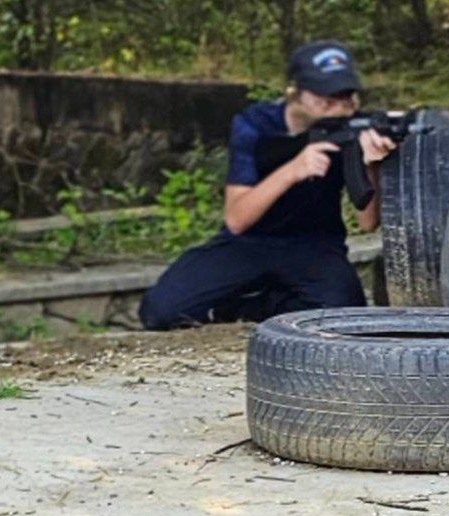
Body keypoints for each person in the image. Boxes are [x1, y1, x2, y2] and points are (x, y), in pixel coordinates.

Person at [138, 40, 397, 330]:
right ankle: (238, 307)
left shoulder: (357, 127)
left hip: (315, 246)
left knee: (343, 318)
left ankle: (267, 306)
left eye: (347, 96)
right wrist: (293, 170)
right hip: (248, 243)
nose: (338, 107)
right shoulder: (256, 125)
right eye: (326, 97)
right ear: (295, 93)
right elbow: (237, 220)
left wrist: (372, 163)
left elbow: (367, 222)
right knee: (161, 311)